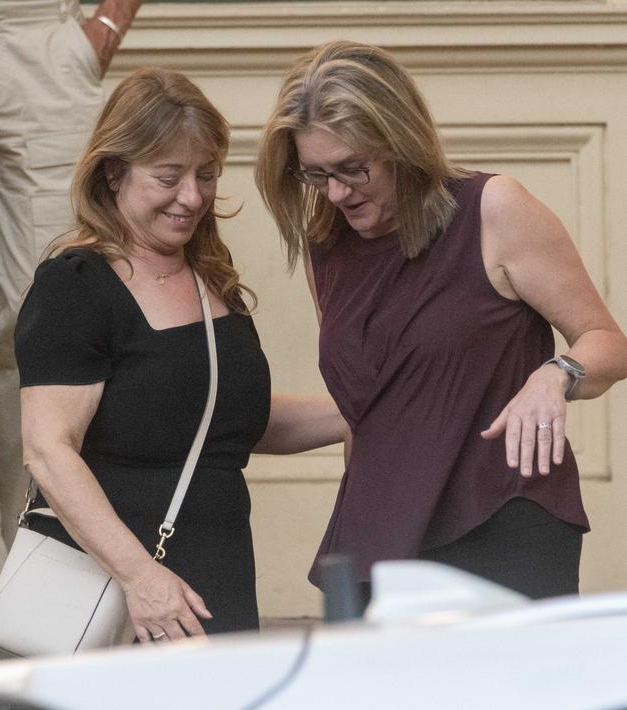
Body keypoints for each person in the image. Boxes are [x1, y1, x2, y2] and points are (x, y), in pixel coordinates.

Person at [10, 67, 345, 710]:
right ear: (113, 174)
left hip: (210, 587)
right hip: (114, 601)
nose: (191, 197)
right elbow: (48, 447)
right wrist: (141, 576)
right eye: (168, 176)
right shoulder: (77, 283)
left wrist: (362, 414)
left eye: (207, 174)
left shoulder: (207, 279)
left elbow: (232, 422)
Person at [255, 40, 627, 599]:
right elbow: (369, 404)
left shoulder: (493, 208)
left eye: (353, 169)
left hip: (499, 521)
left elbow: (607, 342)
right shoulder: (327, 246)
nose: (336, 193)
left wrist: (556, 375)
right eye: (317, 174)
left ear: (400, 142)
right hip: (376, 536)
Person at [0, 0, 142, 582]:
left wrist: (105, 25)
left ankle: (34, 567)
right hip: (47, 48)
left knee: (47, 321)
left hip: (43, 40)